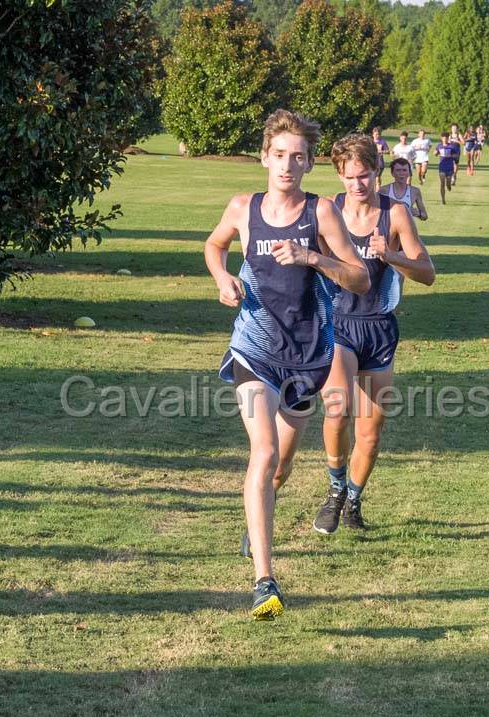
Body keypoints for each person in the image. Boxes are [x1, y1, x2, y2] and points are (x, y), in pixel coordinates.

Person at [204, 109, 369, 620]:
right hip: (254, 346)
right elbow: (214, 245)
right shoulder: (241, 207)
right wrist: (221, 276)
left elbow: (360, 278)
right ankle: (264, 580)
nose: (286, 166)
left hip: (308, 355)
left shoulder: (320, 214)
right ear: (264, 157)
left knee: (282, 464)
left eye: (298, 158)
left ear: (310, 163)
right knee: (265, 451)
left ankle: (257, 521)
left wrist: (312, 258)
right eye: (279, 156)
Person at [314, 134, 435, 535]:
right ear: (339, 175)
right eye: (348, 177)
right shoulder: (327, 210)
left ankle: (353, 498)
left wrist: (391, 256)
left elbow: (428, 275)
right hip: (338, 324)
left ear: (377, 172)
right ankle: (333, 492)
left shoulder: (396, 214)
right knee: (337, 406)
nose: (357, 185)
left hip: (379, 328)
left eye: (363, 176)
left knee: (370, 432)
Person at [379, 157, 428, 222]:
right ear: (392, 173)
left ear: (409, 173)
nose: (401, 173)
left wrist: (418, 213)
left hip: (407, 230)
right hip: (388, 230)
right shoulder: (384, 190)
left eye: (404, 170)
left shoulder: (415, 191)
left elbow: (424, 216)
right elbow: (375, 213)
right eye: (398, 170)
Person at [435, 133, 459, 204]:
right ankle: (443, 199)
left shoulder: (452, 146)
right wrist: (436, 152)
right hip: (442, 166)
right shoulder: (439, 146)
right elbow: (435, 153)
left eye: (446, 138)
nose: (444, 139)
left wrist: (450, 155)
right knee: (442, 183)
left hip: (449, 166)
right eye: (443, 138)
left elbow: (456, 155)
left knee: (448, 183)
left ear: (448, 138)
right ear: (441, 138)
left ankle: (449, 186)